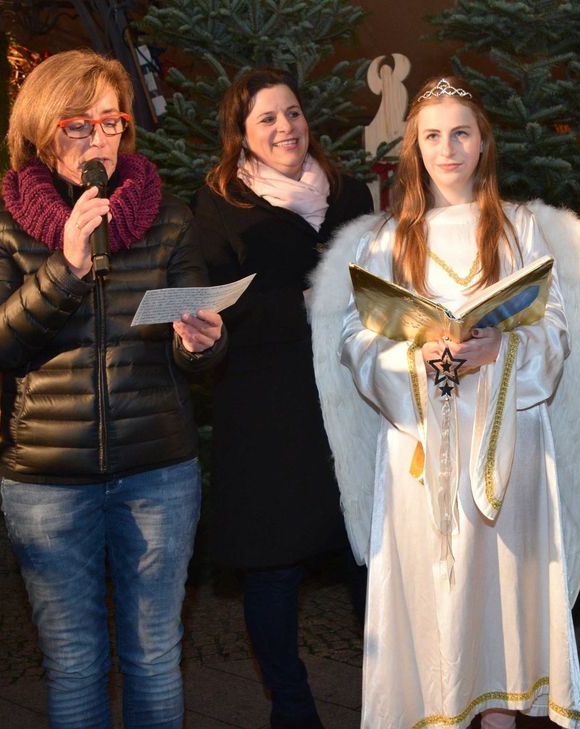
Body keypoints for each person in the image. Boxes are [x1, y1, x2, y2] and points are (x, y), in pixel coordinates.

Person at [309, 76, 580, 729]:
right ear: (413, 148)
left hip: (510, 444)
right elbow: (355, 338)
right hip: (422, 452)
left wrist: (498, 349)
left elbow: (554, 332)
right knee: (437, 606)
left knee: (500, 607)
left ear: (482, 142)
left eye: (461, 133)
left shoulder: (522, 230)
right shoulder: (386, 240)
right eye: (432, 136)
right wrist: (414, 360)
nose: (447, 148)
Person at [0, 49, 224, 729]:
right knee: (76, 660)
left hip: (157, 470)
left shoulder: (164, 215)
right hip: (48, 479)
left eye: (111, 124)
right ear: (42, 129)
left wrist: (201, 341)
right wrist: (66, 267)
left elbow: (196, 339)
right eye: (78, 126)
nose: (98, 141)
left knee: (153, 655)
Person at [190, 68, 372, 729]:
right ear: (241, 132)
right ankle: (292, 710)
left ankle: (396, 697)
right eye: (267, 118)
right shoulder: (220, 207)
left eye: (292, 113)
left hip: (353, 406)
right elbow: (212, 312)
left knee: (372, 559)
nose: (286, 128)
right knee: (273, 569)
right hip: (268, 416)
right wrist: (304, 306)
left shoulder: (349, 193)